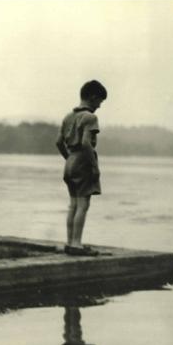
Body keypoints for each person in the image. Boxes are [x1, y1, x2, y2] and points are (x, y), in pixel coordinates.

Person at [56, 80, 107, 256]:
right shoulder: (90, 117)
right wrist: (94, 166)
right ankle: (77, 244)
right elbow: (86, 143)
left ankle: (70, 242)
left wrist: (69, 158)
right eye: (100, 102)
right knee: (83, 205)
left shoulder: (68, 117)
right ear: (93, 98)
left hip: (70, 162)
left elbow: (58, 142)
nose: (99, 106)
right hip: (83, 161)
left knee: (73, 204)